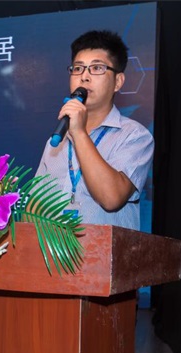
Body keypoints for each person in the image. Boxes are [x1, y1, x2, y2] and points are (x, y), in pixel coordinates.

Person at [35, 30, 154, 231]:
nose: (84, 77)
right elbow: (33, 209)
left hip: (104, 250)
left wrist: (79, 133)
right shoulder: (57, 139)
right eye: (78, 68)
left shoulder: (135, 136)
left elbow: (111, 198)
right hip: (53, 249)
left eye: (97, 68)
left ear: (118, 81)